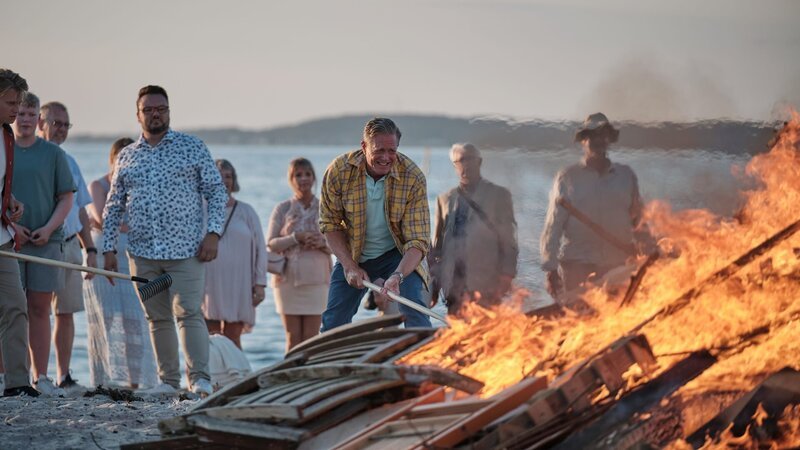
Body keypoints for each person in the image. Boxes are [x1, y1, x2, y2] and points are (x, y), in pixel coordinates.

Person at [102, 85, 227, 397]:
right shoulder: (127, 156)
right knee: (157, 317)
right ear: (138, 114)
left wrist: (213, 233)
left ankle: (199, 379)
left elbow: (216, 191)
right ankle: (168, 382)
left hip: (187, 253)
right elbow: (114, 204)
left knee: (189, 312)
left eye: (161, 108)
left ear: (169, 111)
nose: (155, 114)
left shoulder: (191, 147)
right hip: (143, 255)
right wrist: (106, 248)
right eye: (149, 109)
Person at [319, 117, 433, 331]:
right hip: (354, 254)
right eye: (379, 150)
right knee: (333, 321)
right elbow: (330, 223)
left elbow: (418, 241)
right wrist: (349, 266)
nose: (386, 157)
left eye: (392, 150)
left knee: (415, 311)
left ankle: (420, 361)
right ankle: (333, 363)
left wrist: (398, 276)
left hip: (398, 255)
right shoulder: (338, 171)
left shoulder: (413, 177)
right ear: (364, 146)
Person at [540, 112, 649, 301]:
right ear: (584, 141)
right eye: (592, 136)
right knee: (578, 323)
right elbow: (553, 225)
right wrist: (550, 269)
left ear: (609, 140)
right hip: (578, 267)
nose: (598, 140)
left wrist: (649, 253)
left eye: (603, 135)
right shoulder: (568, 177)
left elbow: (639, 222)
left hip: (619, 267)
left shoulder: (625, 176)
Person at [12, 91, 75, 396]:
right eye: (19, 113)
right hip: (9, 241)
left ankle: (42, 376)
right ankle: (10, 375)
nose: (24, 119)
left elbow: (66, 197)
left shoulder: (53, 154)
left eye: (30, 114)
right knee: (11, 309)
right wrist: (12, 227)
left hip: (46, 241)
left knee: (39, 309)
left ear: (38, 119)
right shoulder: (2, 148)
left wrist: (49, 228)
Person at [83, 137, 158, 389]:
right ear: (113, 159)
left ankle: (136, 381)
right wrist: (128, 226)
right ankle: (103, 381)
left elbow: (152, 221)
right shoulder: (98, 185)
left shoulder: (141, 186)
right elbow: (103, 219)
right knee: (105, 320)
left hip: (133, 259)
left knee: (135, 321)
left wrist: (126, 226)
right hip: (106, 258)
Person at [38, 101, 96, 390]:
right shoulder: (30, 157)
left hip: (71, 245)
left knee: (66, 312)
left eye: (65, 124)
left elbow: (82, 210)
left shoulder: (70, 162)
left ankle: (63, 375)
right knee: (35, 311)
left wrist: (91, 250)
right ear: (40, 123)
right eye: (55, 123)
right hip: (39, 246)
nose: (60, 129)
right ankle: (38, 375)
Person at [430, 143, 518, 314]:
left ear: (479, 162)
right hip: (453, 284)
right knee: (456, 335)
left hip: (486, 282)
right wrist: (434, 285)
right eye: (460, 161)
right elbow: (438, 248)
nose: (466, 165)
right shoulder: (444, 199)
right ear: (455, 165)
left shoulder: (499, 195)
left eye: (470, 159)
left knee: (486, 335)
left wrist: (507, 274)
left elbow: (509, 240)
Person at [0, 68, 38, 397]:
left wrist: (10, 200)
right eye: (10, 102)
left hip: (2, 238)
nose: (16, 109)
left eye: (18, 103)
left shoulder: (6, 136)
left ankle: (17, 383)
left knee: (16, 306)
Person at [268, 158, 331, 351]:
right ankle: (289, 377)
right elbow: (271, 243)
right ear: (291, 179)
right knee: (292, 338)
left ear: (314, 178)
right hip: (287, 281)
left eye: (307, 174)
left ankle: (310, 378)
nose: (303, 179)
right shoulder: (283, 208)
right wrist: (296, 237)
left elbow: (342, 246)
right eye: (298, 175)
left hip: (318, 281)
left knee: (312, 339)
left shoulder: (326, 208)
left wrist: (322, 243)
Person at [203, 159, 267, 349]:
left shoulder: (247, 212)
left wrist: (260, 284)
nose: (224, 180)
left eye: (228, 176)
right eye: (219, 176)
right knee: (209, 339)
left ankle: (236, 377)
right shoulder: (200, 211)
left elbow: (260, 250)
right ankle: (208, 379)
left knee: (233, 339)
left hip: (239, 285)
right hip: (208, 284)